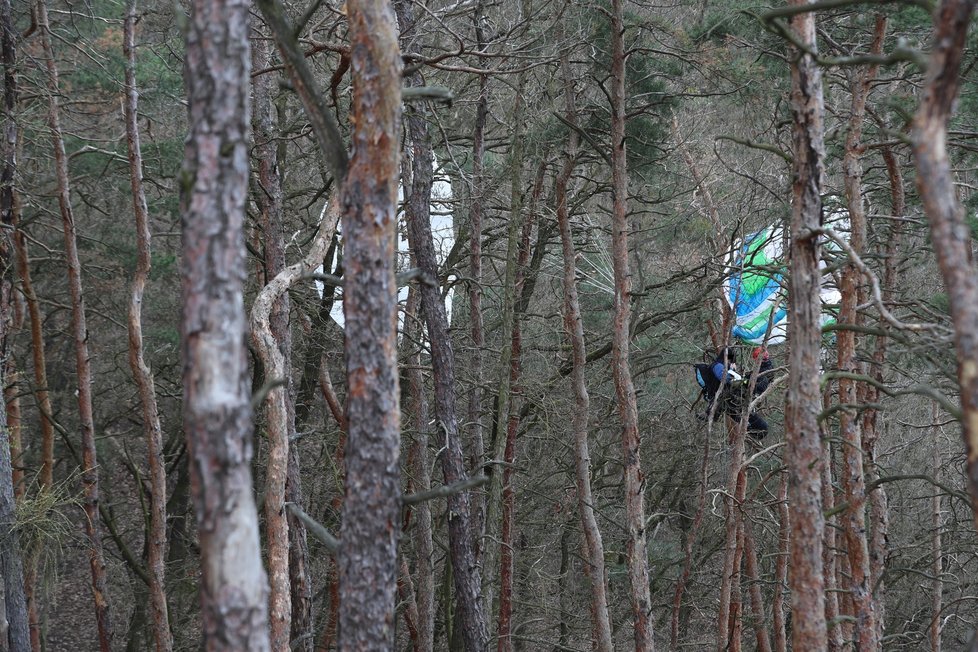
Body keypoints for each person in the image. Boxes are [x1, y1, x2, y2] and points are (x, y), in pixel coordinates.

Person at [707, 347, 769, 439]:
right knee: (760, 426)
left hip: (731, 398)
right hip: (726, 398)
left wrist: (736, 375)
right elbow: (724, 378)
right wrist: (738, 378)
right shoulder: (718, 366)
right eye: (731, 361)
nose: (732, 364)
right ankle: (753, 428)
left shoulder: (722, 366)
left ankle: (752, 428)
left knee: (759, 426)